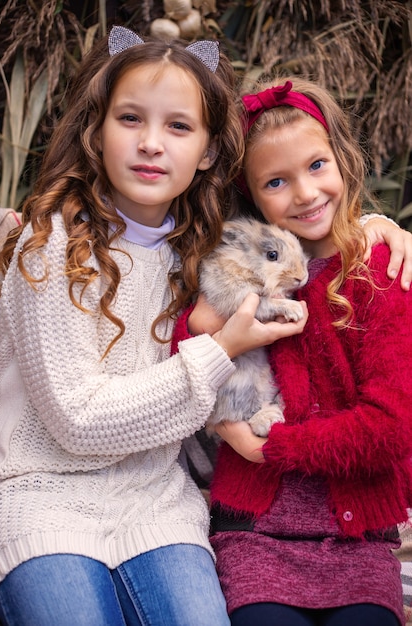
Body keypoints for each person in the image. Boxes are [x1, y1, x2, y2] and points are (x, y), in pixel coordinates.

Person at [0, 27, 314, 626]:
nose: (150, 144)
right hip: (42, 494)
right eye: (130, 118)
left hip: (157, 504)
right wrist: (220, 350)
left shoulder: (202, 248)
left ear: (210, 151)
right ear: (97, 129)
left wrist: (384, 227)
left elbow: (304, 240)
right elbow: (77, 421)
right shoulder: (53, 244)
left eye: (178, 127)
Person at [173, 76, 412, 626]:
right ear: (251, 197)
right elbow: (186, 355)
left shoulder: (381, 273)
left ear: (343, 162)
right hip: (255, 533)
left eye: (316, 166)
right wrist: (201, 326)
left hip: (357, 539)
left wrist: (278, 446)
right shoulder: (248, 268)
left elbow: (391, 426)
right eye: (277, 182)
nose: (305, 193)